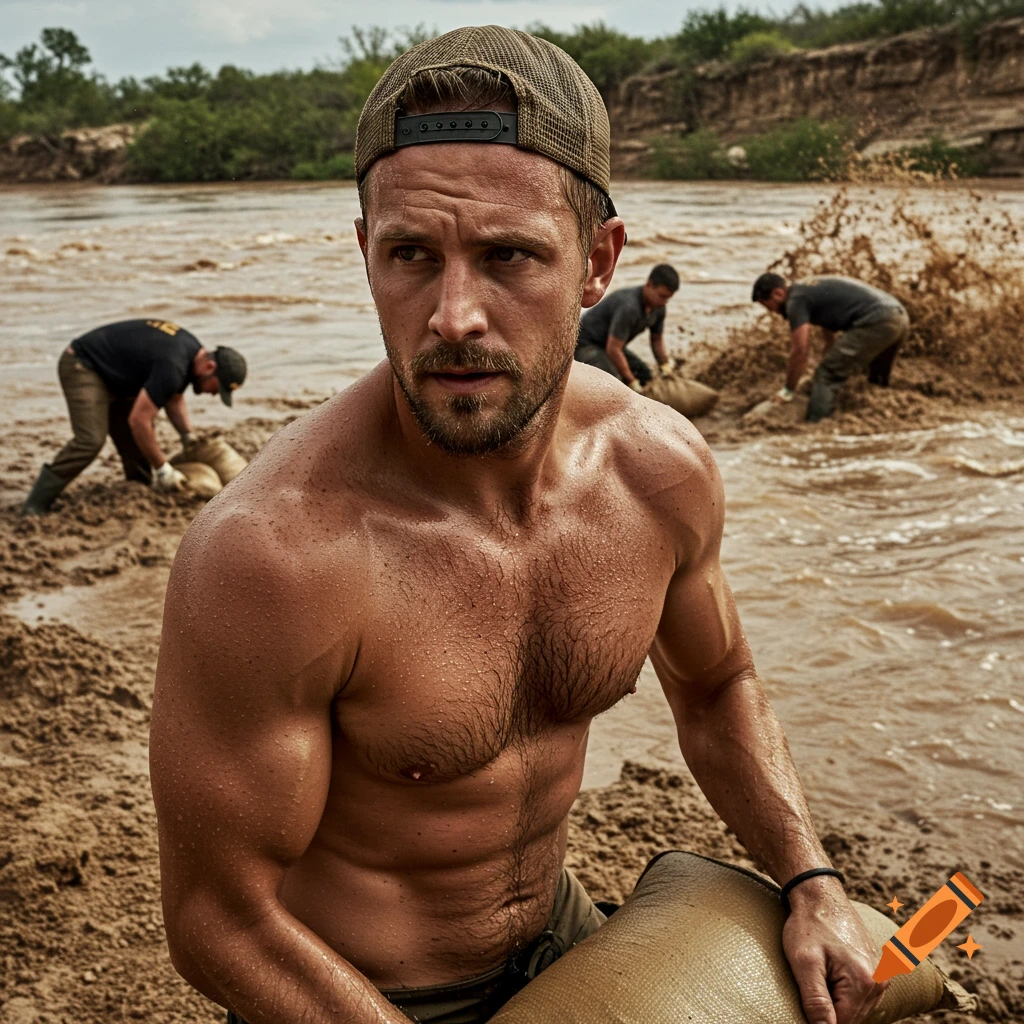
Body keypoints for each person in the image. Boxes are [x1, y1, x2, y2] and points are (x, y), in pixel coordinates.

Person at [150, 27, 884, 1024]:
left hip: (563, 937)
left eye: (508, 256)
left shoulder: (654, 471)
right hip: (356, 995)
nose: (454, 313)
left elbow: (716, 691)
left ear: (597, 262)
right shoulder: (273, 554)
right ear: (365, 253)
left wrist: (811, 883)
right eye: (411, 254)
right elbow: (218, 920)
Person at [21, 319, 247, 514]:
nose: (214, 393)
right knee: (90, 441)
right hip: (84, 366)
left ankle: (138, 485)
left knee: (132, 436)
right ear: (209, 366)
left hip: (116, 375)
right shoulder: (174, 365)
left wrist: (187, 436)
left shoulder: (189, 353)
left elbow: (174, 399)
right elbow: (140, 420)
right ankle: (36, 503)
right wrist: (163, 468)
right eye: (217, 387)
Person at [752, 272, 910, 422]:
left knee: (826, 375)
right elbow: (829, 327)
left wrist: (788, 390)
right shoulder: (808, 289)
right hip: (899, 317)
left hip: (876, 321)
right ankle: (886, 418)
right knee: (875, 378)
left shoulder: (795, 301)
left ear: (778, 294)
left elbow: (800, 350)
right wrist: (829, 353)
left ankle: (816, 427)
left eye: (769, 307)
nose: (774, 313)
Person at [574, 263, 678, 391]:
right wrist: (632, 381)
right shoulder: (629, 307)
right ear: (649, 284)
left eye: (668, 298)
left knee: (646, 376)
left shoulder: (658, 308)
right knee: (615, 384)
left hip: (608, 345)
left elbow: (656, 339)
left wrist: (664, 365)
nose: (664, 302)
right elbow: (613, 350)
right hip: (585, 344)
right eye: (662, 296)